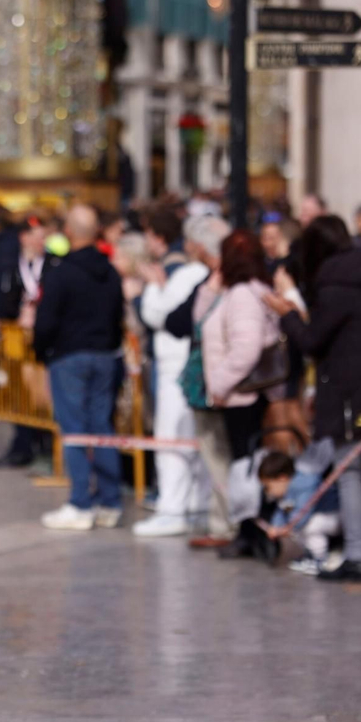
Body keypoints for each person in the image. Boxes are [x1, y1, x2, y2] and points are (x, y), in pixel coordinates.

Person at [267, 216, 361, 582]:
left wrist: (289, 316)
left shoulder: (333, 287)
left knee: (350, 473)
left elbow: (312, 340)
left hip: (346, 391)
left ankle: (358, 553)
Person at [34, 205, 126, 531]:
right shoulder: (111, 271)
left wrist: (42, 352)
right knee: (102, 427)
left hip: (69, 357)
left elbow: (45, 320)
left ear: (69, 233)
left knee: (73, 430)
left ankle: (80, 504)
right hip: (105, 356)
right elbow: (119, 316)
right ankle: (110, 501)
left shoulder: (61, 272)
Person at [190, 229, 283, 546]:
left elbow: (246, 348)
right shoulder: (243, 291)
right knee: (244, 464)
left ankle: (251, 532)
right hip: (239, 392)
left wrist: (218, 384)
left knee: (245, 465)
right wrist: (211, 285)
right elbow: (200, 321)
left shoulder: (244, 294)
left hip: (242, 394)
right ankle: (248, 529)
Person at [133, 209, 220, 537]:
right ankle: (194, 503)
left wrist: (153, 288)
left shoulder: (188, 275)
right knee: (191, 437)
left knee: (172, 437)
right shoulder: (200, 275)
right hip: (189, 365)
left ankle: (173, 507)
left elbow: (160, 316)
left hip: (176, 366)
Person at [0, 214, 62, 468]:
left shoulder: (55, 264)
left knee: (44, 394)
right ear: (24, 237)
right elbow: (0, 299)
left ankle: (49, 444)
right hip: (16, 339)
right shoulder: (9, 265)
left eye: (44, 236)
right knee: (20, 395)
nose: (42, 241)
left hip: (45, 340)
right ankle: (23, 445)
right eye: (37, 236)